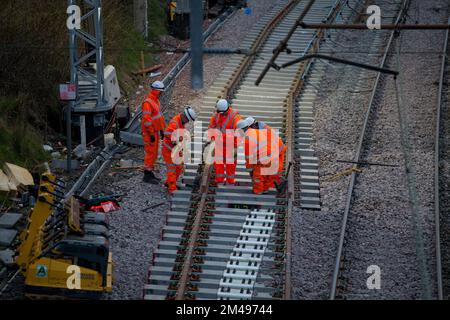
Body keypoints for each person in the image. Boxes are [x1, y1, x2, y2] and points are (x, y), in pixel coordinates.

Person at [236, 117, 286, 194]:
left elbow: (248, 157)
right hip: (273, 155)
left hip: (269, 156)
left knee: (257, 175)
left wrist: (250, 169)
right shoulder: (258, 131)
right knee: (267, 174)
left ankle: (258, 191)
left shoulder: (247, 139)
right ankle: (265, 189)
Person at [162, 106, 197, 194]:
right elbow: (167, 133)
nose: (188, 122)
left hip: (175, 150)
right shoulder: (175, 123)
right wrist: (176, 139)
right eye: (188, 120)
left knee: (179, 167)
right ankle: (172, 189)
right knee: (172, 169)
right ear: (185, 117)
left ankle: (169, 183)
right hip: (168, 150)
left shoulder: (181, 123)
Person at [208, 99, 241, 185]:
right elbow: (211, 126)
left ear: (227, 109)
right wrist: (212, 138)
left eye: (223, 113)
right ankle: (219, 179)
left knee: (231, 164)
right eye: (220, 112)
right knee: (218, 162)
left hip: (230, 144)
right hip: (219, 143)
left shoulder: (235, 117)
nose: (221, 114)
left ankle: (230, 181)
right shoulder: (217, 115)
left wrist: (236, 146)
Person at [141, 81, 166, 184]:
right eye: (160, 92)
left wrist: (161, 130)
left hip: (155, 131)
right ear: (155, 91)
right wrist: (151, 133)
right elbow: (147, 121)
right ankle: (147, 175)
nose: (161, 93)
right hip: (149, 133)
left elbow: (158, 118)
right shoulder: (148, 103)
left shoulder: (156, 101)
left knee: (154, 153)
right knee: (150, 153)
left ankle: (150, 173)